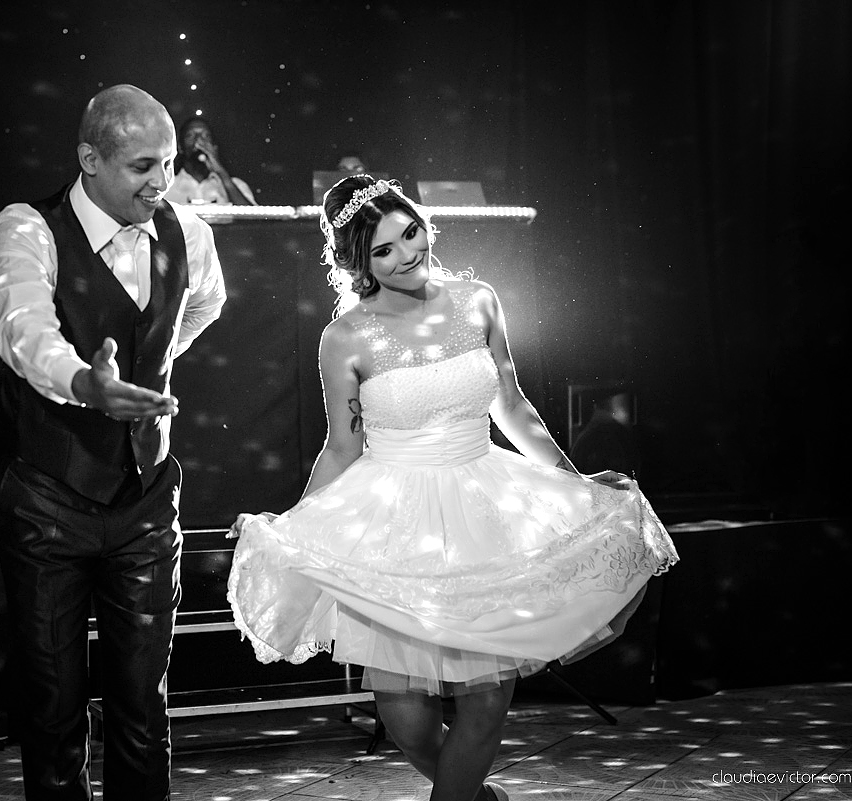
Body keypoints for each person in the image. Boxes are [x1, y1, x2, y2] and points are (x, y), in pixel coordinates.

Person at [226, 175, 677, 801]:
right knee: (404, 717)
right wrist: (292, 526)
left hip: (483, 505)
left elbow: (515, 407)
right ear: (358, 261)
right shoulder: (346, 337)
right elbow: (341, 447)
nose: (407, 254)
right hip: (395, 521)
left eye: (410, 233)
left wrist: (577, 487)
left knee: (486, 699)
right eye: (383, 250)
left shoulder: (479, 299)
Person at [0, 84, 227, 801]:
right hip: (47, 504)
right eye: (143, 167)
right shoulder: (26, 227)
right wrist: (84, 384)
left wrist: (156, 364)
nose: (162, 183)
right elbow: (21, 328)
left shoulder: (190, 232)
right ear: (90, 159)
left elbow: (206, 301)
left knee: (142, 705)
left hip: (147, 500)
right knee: (54, 709)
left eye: (170, 163)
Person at [165, 116, 256, 205]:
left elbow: (253, 218)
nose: (199, 140)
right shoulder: (166, 188)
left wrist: (222, 174)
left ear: (214, 147)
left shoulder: (236, 185)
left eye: (206, 135)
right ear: (180, 147)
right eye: (190, 135)